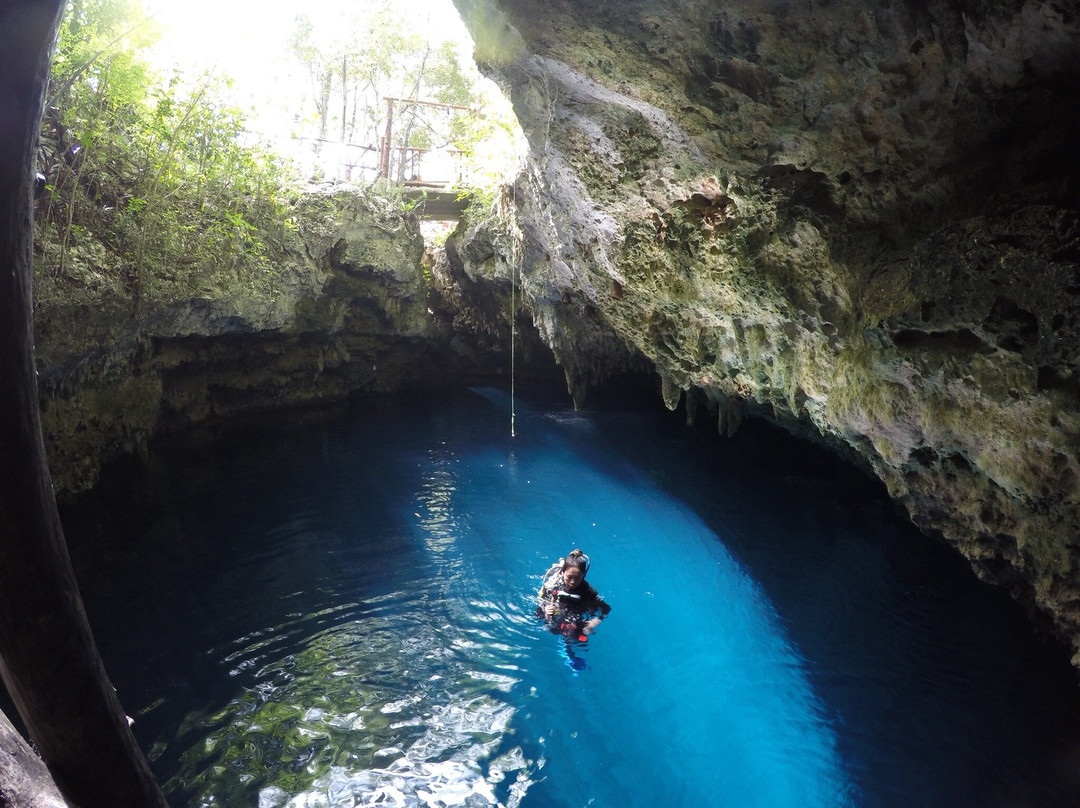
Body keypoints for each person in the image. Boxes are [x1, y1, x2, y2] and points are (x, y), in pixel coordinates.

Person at [536, 549, 611, 636]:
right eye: (569, 577)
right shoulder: (553, 586)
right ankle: (560, 566)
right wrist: (545, 610)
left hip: (575, 610)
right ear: (563, 573)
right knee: (551, 627)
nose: (572, 582)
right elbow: (540, 604)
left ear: (583, 575)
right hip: (559, 609)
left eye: (577, 578)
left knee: (577, 633)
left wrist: (596, 620)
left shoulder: (587, 592)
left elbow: (606, 609)